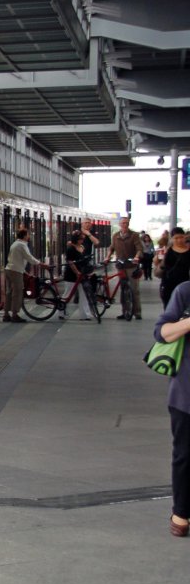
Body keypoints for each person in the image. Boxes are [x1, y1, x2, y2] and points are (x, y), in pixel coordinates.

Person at [153, 280, 190, 537]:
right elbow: (161, 332)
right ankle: (181, 511)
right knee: (185, 455)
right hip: (186, 393)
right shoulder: (185, 292)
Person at [3, 229, 49, 322]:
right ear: (24, 236)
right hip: (15, 271)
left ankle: (6, 314)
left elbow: (16, 259)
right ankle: (15, 315)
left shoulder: (15, 244)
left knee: (9, 292)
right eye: (28, 235)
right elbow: (29, 258)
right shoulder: (22, 245)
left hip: (9, 269)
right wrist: (41, 264)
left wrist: (24, 271)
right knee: (18, 293)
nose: (29, 236)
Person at [106, 217, 144, 319]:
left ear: (128, 224)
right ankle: (125, 311)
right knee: (123, 289)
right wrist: (107, 257)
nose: (125, 225)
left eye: (126, 223)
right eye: (123, 223)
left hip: (131, 265)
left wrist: (136, 257)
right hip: (120, 265)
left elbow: (139, 248)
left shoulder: (134, 235)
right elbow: (112, 248)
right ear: (119, 224)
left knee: (134, 289)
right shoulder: (116, 236)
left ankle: (137, 312)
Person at [59, 230, 93, 320]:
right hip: (71, 274)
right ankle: (61, 312)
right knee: (68, 294)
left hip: (82, 274)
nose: (82, 240)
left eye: (83, 239)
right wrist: (76, 272)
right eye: (80, 239)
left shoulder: (82, 247)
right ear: (75, 239)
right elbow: (70, 262)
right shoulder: (70, 249)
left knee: (84, 294)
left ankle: (85, 315)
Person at [161, 228, 190, 308]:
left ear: (185, 237)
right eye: (176, 238)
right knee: (168, 305)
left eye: (181, 237)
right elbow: (161, 266)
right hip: (168, 282)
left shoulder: (188, 251)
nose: (179, 240)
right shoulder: (168, 251)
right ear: (172, 239)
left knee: (183, 306)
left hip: (184, 282)